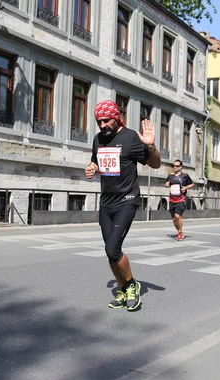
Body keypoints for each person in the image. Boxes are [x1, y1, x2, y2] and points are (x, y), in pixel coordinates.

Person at [85, 100, 161, 311]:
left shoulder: (131, 138)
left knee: (113, 248)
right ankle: (124, 288)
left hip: (126, 201)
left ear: (116, 117)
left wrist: (150, 145)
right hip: (106, 202)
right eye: (99, 122)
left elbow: (155, 164)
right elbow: (96, 161)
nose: (102, 126)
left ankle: (132, 286)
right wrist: (92, 167)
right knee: (111, 253)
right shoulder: (98, 139)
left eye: (106, 121)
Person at [165, 159, 194, 241]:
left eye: (177, 166)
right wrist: (167, 184)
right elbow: (166, 184)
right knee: (174, 219)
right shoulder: (170, 175)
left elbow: (192, 184)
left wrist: (185, 188)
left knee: (177, 216)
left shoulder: (185, 176)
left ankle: (180, 233)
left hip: (181, 199)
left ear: (181, 167)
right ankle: (179, 232)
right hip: (172, 199)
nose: (175, 167)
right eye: (173, 165)